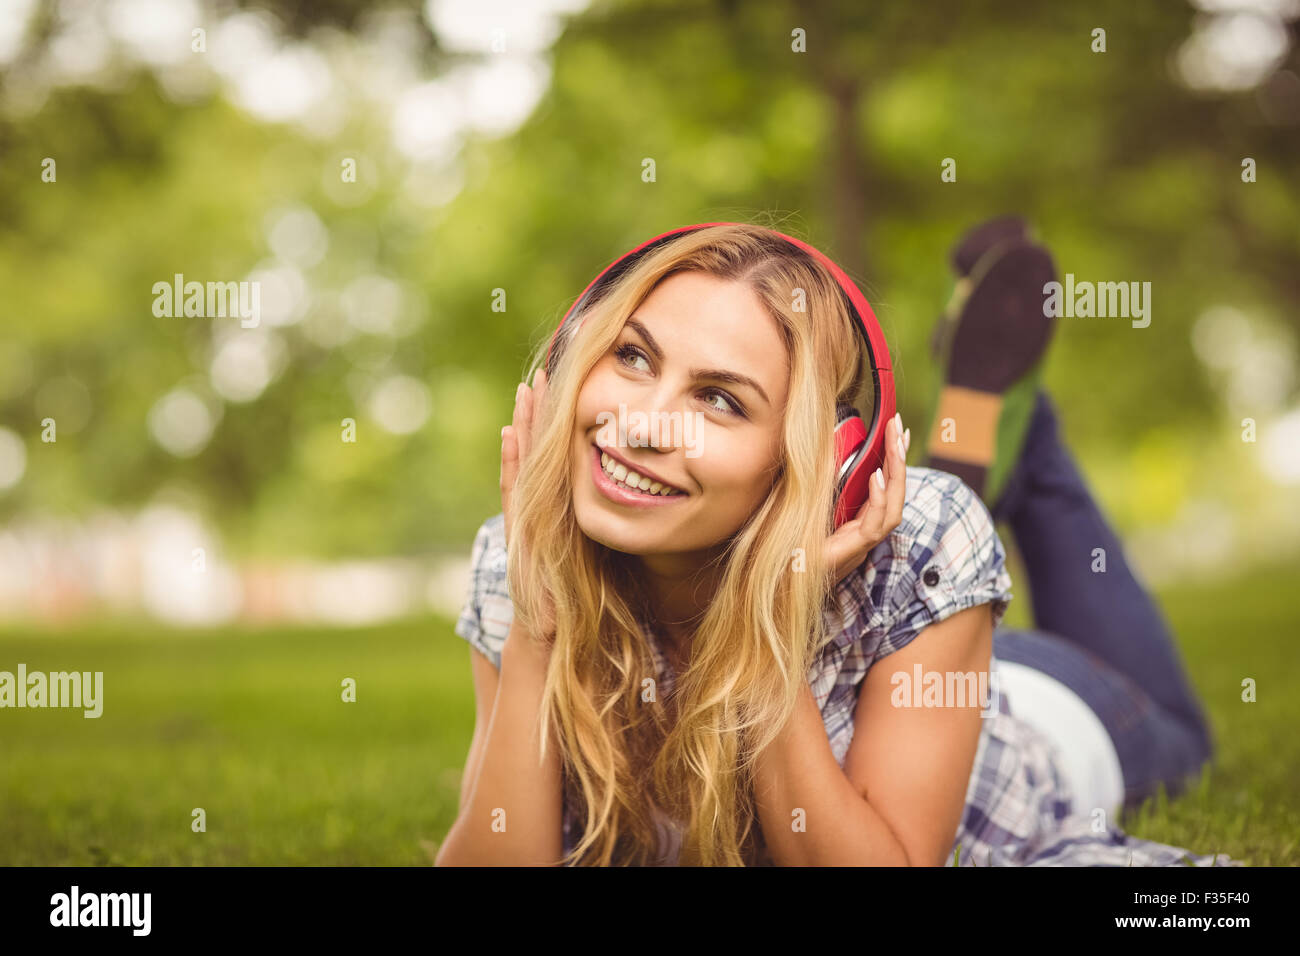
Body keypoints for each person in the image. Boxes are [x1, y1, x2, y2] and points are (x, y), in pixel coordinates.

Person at [436, 220, 1240, 866]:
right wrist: (538, 622)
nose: (643, 426)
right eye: (633, 356)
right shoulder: (520, 557)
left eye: (718, 400)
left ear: (826, 474)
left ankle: (1027, 440)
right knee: (944, 534)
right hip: (921, 644)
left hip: (1054, 707)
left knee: (1186, 736)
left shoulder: (925, 537)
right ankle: (991, 438)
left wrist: (768, 626)